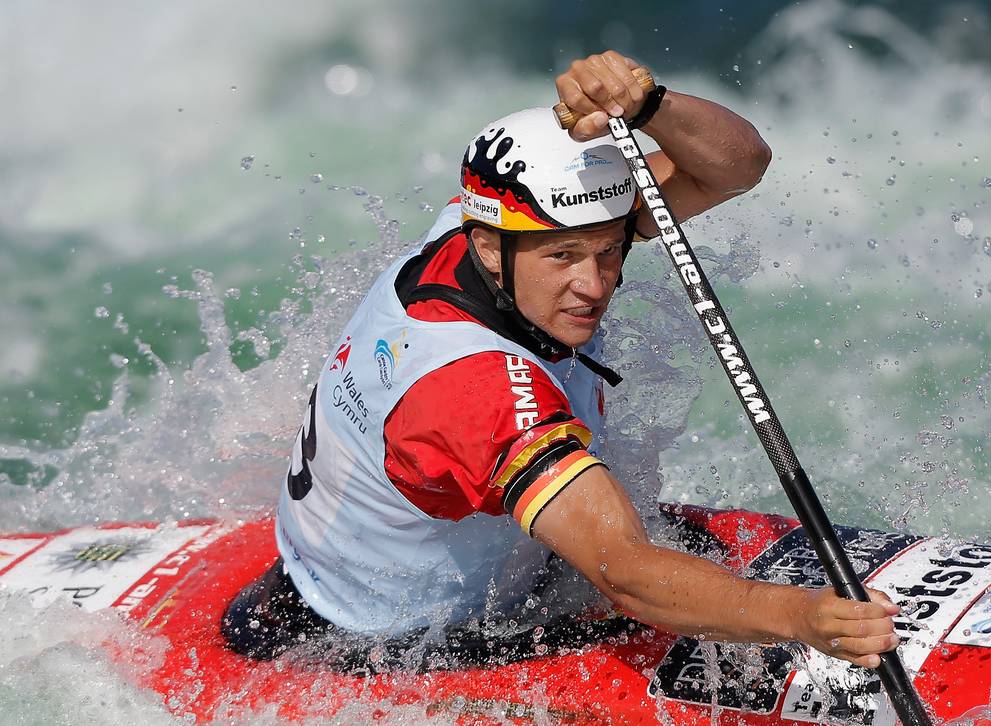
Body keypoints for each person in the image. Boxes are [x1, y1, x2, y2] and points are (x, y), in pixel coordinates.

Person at [222, 50, 900, 672]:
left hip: (412, 568)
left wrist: (650, 105)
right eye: (564, 258)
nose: (593, 285)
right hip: (377, 641)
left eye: (608, 251)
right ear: (490, 248)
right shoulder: (472, 387)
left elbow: (738, 166)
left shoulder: (490, 224)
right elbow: (624, 572)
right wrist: (801, 618)